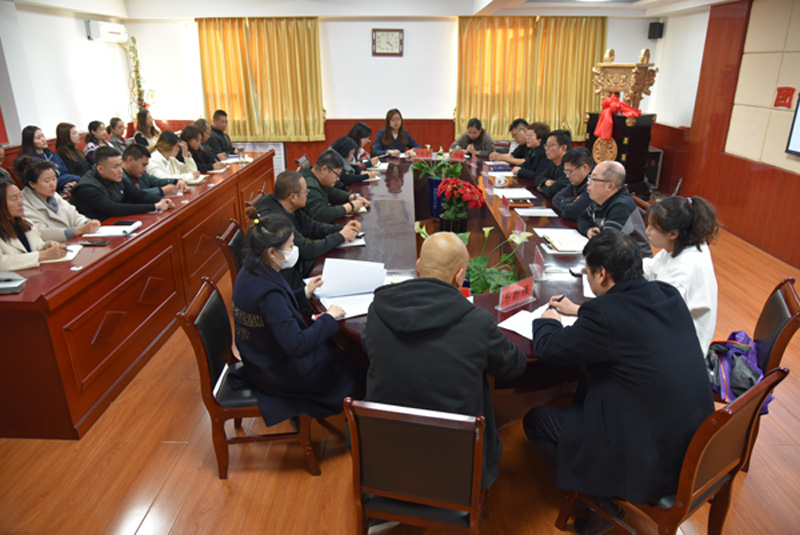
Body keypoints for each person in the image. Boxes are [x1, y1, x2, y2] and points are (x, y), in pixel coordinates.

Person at [523, 230, 714, 532]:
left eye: (588, 272)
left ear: (601, 274)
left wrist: (547, 322)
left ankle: (592, 499)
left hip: (649, 457)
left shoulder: (604, 315)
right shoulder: (667, 294)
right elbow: (628, 320)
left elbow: (550, 349)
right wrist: (580, 310)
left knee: (537, 421)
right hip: (694, 443)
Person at [362, 231, 526, 489]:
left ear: (418, 266)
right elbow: (513, 365)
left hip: (384, 452)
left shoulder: (378, 310)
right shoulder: (477, 322)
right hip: (457, 464)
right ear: (460, 276)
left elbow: (368, 347)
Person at [229, 207, 364, 429]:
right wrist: (329, 318)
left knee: (333, 347)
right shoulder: (268, 294)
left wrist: (305, 293)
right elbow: (297, 345)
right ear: (272, 253)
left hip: (259, 359)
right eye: (290, 246)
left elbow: (275, 312)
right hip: (278, 372)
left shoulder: (250, 270)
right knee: (349, 361)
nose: (295, 250)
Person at [255, 170, 360, 288]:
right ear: (293, 197)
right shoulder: (276, 221)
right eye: (305, 192)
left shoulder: (288, 206)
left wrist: (343, 229)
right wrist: (340, 237)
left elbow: (313, 227)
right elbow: (306, 250)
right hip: (287, 280)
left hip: (298, 267)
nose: (307, 195)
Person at [644, 196, 719, 351]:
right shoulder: (682, 245)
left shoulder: (685, 269)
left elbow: (656, 313)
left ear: (672, 234)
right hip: (673, 334)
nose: (647, 231)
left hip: (680, 350)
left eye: (652, 228)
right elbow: (651, 269)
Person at [70, 146, 174, 221]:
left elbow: (137, 194)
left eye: (120, 165)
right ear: (100, 169)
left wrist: (161, 200)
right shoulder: (86, 188)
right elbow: (114, 208)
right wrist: (154, 206)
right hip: (98, 230)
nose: (120, 171)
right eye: (116, 167)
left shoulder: (114, 177)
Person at [577, 161, 652, 257]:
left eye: (593, 179)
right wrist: (588, 229)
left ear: (609, 186)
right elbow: (582, 218)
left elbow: (608, 243)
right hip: (613, 255)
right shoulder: (602, 199)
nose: (588, 182)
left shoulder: (621, 206)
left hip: (633, 261)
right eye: (589, 177)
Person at [16, 157, 100, 240]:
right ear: (32, 184)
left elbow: (74, 216)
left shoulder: (54, 195)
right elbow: (41, 232)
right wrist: (79, 230)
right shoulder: (23, 204)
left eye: (54, 178)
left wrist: (87, 223)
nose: (53, 184)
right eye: (47, 181)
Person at [0, 178, 67, 271]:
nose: (21, 203)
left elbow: (36, 248)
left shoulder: (26, 223)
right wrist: (42, 255)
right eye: (14, 199)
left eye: (20, 197)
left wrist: (47, 246)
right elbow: (2, 263)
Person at [301, 151, 370, 224]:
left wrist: (352, 197)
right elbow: (321, 215)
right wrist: (350, 207)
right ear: (324, 170)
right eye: (337, 174)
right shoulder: (309, 185)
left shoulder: (316, 177)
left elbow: (331, 192)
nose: (338, 179)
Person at [18, 125, 79, 191]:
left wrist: (71, 181)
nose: (43, 140)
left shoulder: (53, 155)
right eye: (38, 138)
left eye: (43, 136)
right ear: (30, 142)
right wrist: (71, 179)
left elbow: (64, 172)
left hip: (66, 186)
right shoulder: (30, 161)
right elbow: (44, 182)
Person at [122, 144, 187, 198]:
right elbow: (135, 194)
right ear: (130, 160)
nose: (145, 169)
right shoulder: (120, 176)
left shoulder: (139, 173)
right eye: (143, 165)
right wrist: (162, 191)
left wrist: (176, 181)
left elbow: (156, 181)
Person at [552, 147, 593, 220]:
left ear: (585, 168)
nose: (567, 176)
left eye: (570, 172)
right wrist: (571, 200)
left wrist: (566, 202)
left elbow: (571, 212)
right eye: (566, 172)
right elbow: (556, 198)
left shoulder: (594, 184)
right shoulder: (578, 181)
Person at [533, 129, 571, 198]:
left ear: (563, 148)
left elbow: (551, 191)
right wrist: (545, 181)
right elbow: (538, 178)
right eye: (546, 145)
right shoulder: (554, 163)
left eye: (550, 145)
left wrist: (541, 187)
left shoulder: (570, 166)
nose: (546, 149)